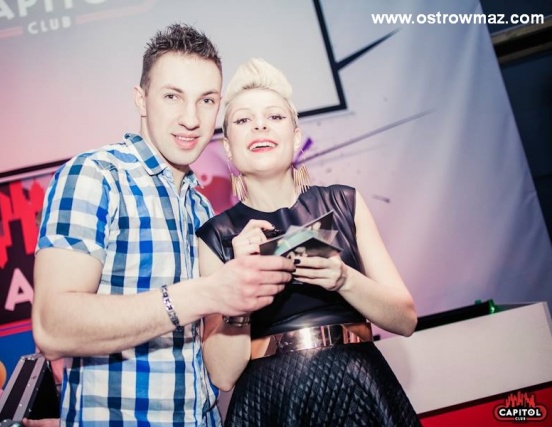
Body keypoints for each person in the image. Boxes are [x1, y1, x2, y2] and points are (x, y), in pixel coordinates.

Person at [31, 27, 295, 426]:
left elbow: (221, 376)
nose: (190, 119)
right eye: (172, 96)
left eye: (206, 101)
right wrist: (205, 292)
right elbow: (52, 327)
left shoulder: (201, 207)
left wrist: (238, 303)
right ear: (141, 99)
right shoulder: (97, 175)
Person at [197, 58, 421, 426]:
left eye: (274, 116)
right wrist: (240, 289)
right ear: (229, 149)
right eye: (243, 120)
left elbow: (406, 320)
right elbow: (222, 375)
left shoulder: (345, 202)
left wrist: (345, 279)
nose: (260, 125)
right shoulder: (217, 237)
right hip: (272, 401)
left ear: (296, 137)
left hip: (357, 388)